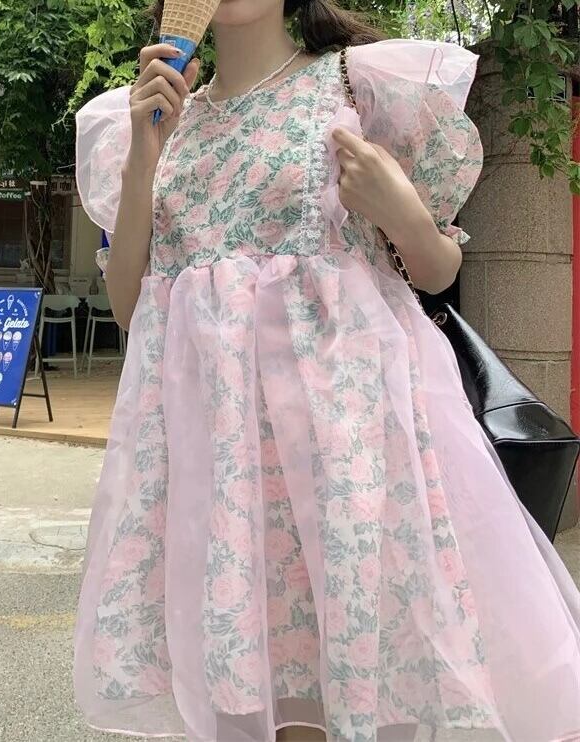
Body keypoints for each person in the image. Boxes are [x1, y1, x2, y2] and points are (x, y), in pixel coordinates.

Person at [72, 1, 580, 740]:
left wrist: (401, 208)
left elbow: (437, 270)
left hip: (347, 444)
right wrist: (146, 152)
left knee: (351, 678)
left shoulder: (359, 86)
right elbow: (130, 306)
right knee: (257, 682)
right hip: (221, 458)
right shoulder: (150, 122)